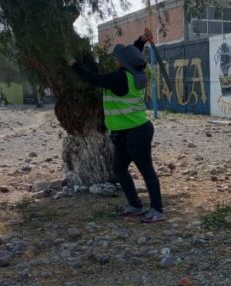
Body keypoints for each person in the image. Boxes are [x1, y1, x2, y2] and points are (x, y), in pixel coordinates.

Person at [68, 29, 165, 223]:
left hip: (136, 132)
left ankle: (157, 210)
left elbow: (93, 79)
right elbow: (133, 55)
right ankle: (135, 205)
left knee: (146, 170)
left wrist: (73, 64)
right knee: (119, 169)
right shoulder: (135, 73)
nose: (117, 60)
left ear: (124, 62)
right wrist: (141, 40)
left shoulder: (120, 78)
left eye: (119, 58)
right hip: (126, 131)